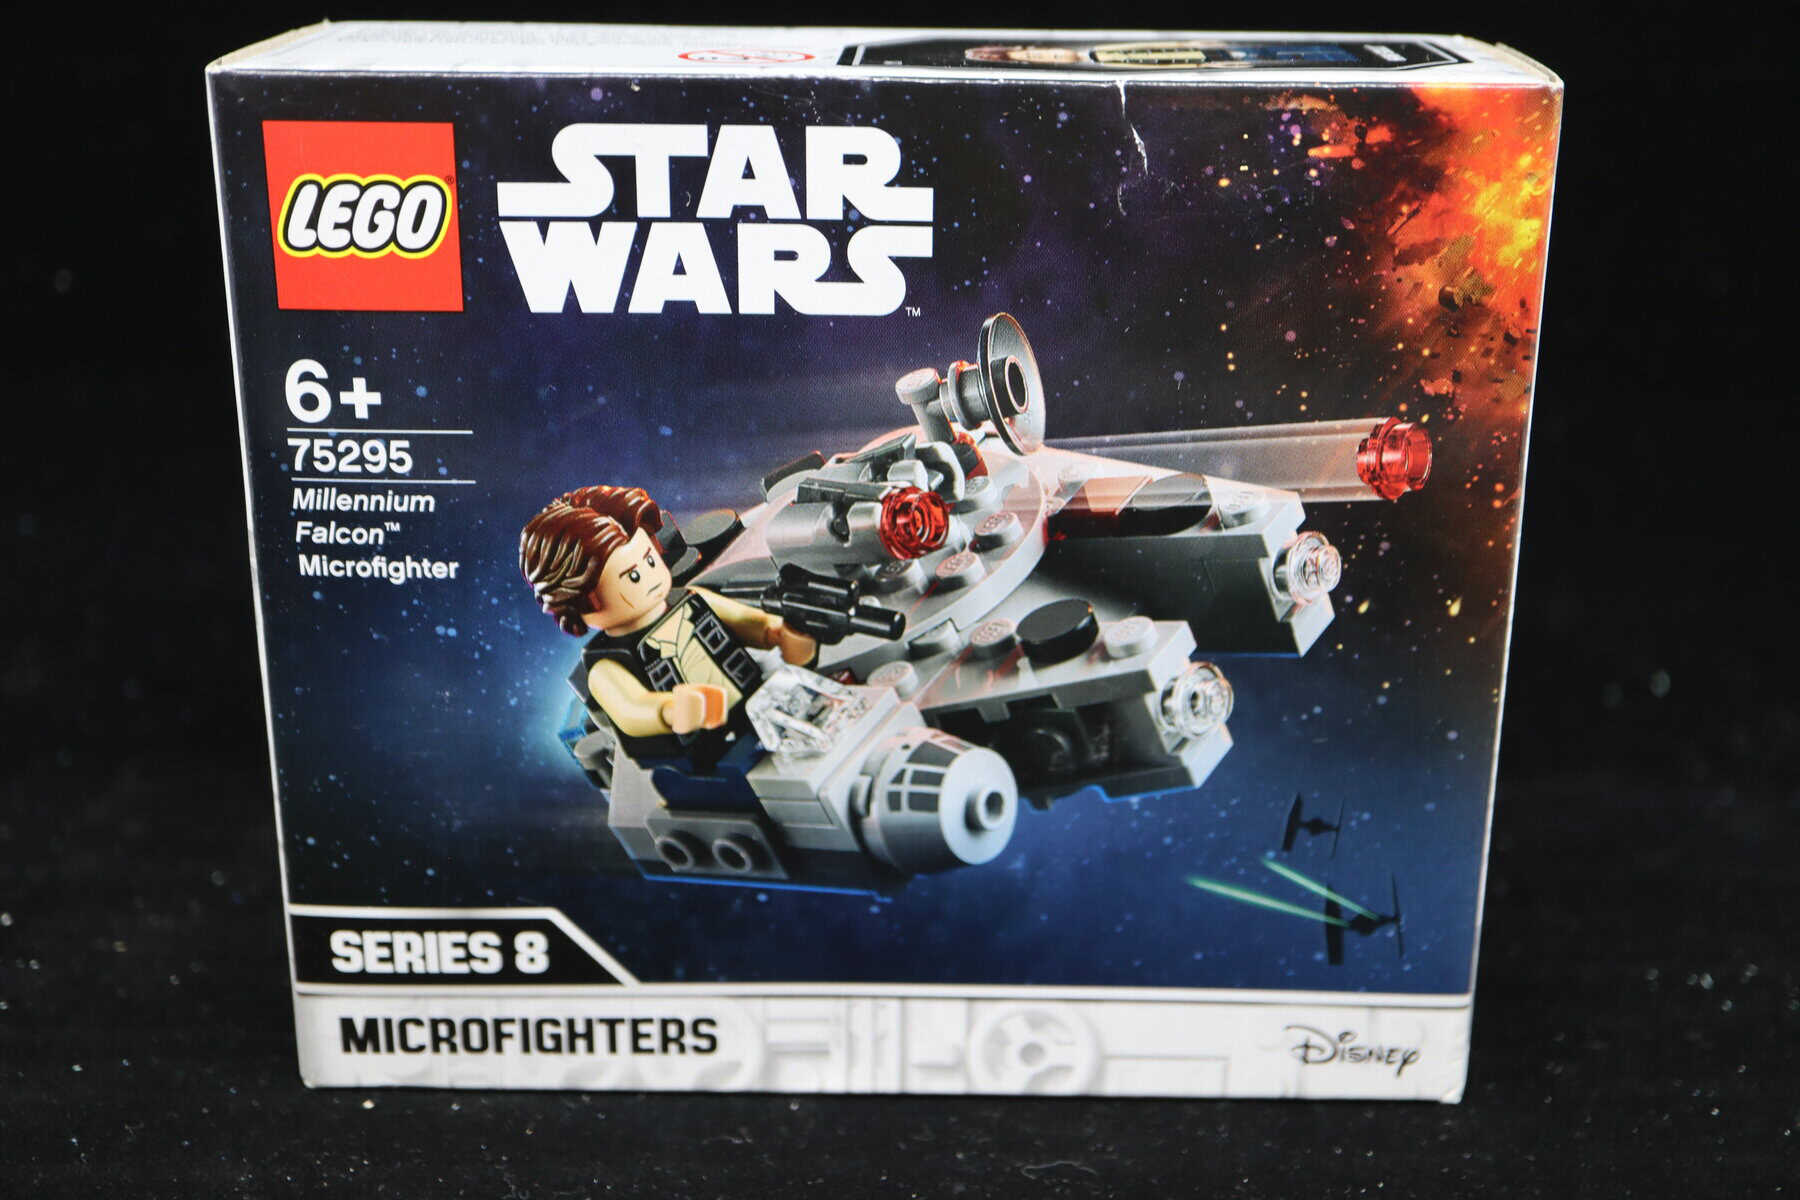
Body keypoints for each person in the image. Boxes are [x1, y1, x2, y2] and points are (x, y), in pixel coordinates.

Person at [520, 485, 816, 767]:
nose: (650, 576)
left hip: (763, 706)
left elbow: (745, 621)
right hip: (709, 757)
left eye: (649, 560)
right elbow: (632, 709)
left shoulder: (691, 600)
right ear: (580, 603)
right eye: (632, 576)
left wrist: (777, 632)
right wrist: (670, 710)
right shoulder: (606, 667)